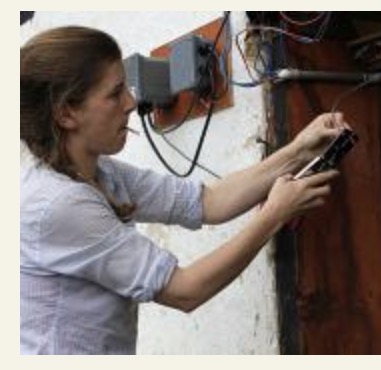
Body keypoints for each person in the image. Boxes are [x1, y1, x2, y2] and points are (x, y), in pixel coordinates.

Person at [20, 26, 346, 354]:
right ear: (66, 113)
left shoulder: (100, 172)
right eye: (115, 93)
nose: (131, 102)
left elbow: (207, 202)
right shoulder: (58, 202)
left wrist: (300, 151)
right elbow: (184, 291)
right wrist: (273, 216)